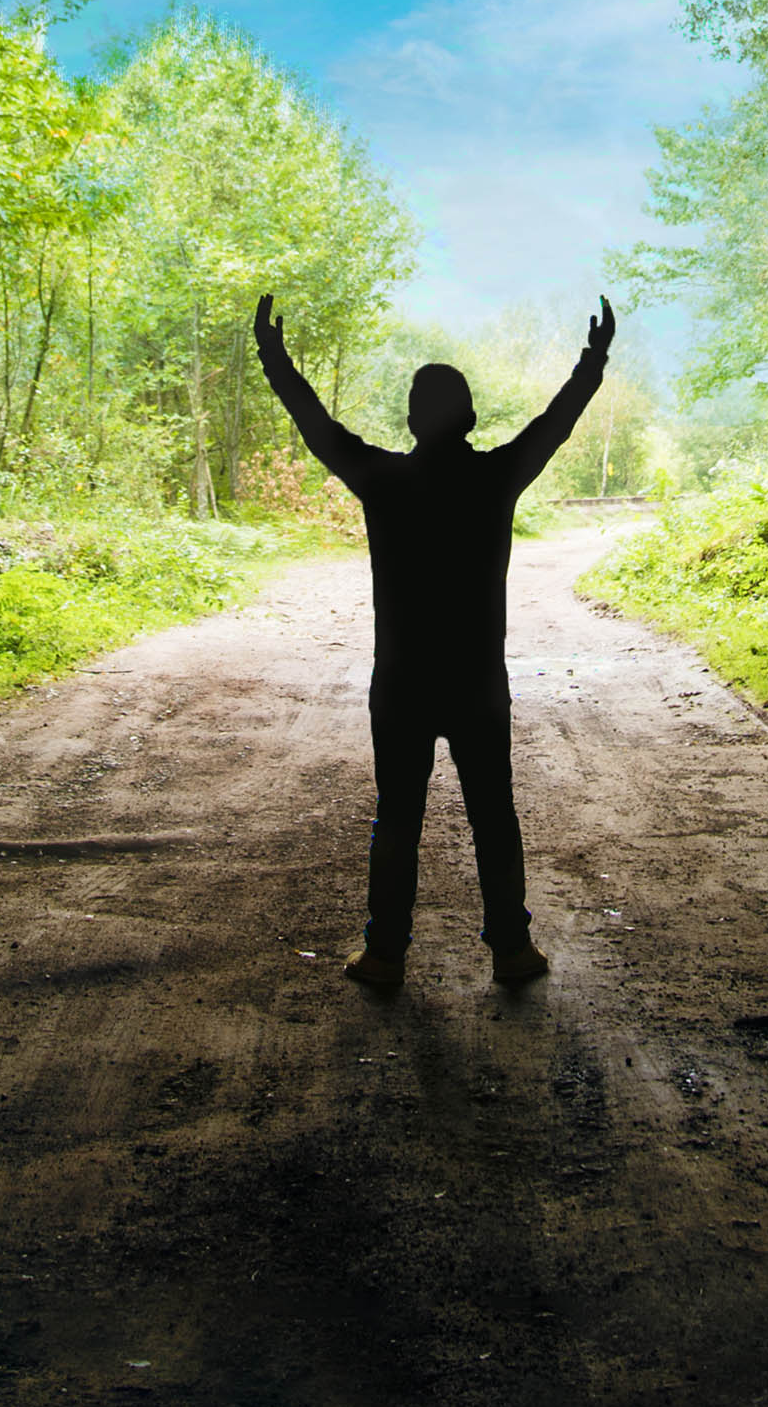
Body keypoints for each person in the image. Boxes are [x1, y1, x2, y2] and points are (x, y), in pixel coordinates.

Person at [253, 293, 614, 990]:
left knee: (397, 820)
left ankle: (385, 954)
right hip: (479, 684)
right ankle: (512, 949)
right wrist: (592, 360)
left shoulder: (382, 479)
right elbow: (557, 423)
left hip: (402, 686)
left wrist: (275, 357)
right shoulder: (498, 476)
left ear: (412, 421)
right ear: (472, 419)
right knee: (493, 815)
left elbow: (315, 425)